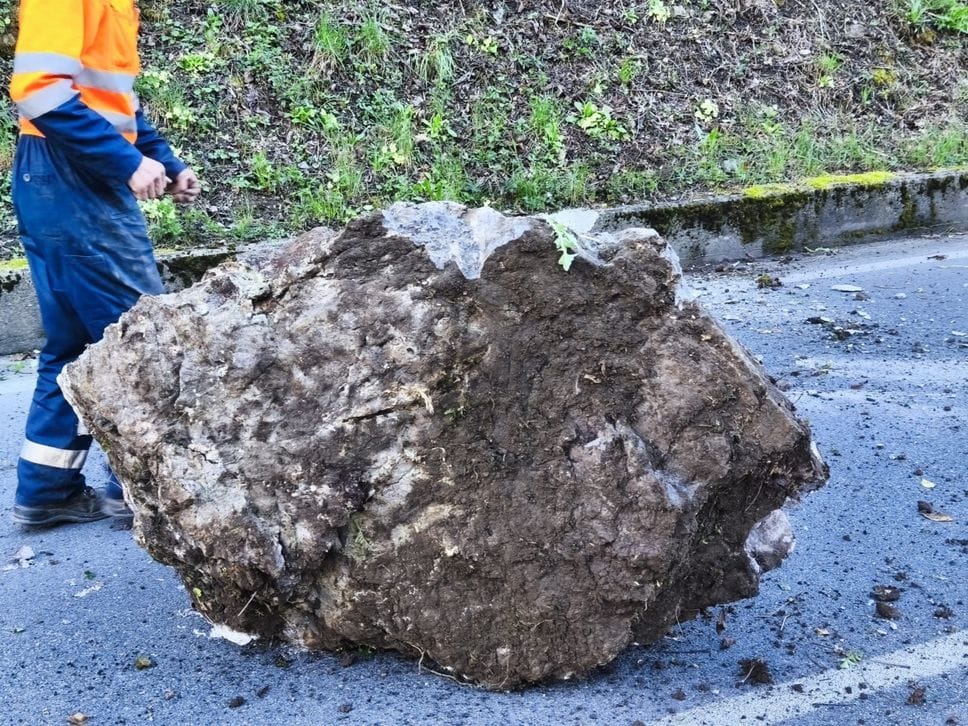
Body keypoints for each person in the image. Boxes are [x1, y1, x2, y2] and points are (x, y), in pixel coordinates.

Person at [8, 0, 200, 526]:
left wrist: (163, 160)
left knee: (75, 345)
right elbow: (40, 92)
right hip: (71, 178)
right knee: (142, 341)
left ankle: (47, 490)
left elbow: (115, 108)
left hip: (61, 179)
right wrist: (126, 162)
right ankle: (141, 493)